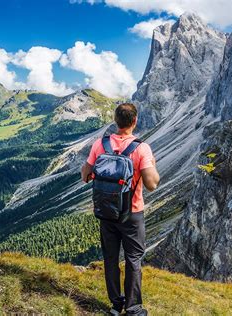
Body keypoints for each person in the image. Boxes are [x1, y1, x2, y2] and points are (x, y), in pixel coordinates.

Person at [81, 103, 160, 315]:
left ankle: (116, 305)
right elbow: (152, 184)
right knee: (133, 258)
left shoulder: (101, 144)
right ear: (134, 121)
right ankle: (133, 308)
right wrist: (152, 163)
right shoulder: (141, 148)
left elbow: (85, 176)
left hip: (106, 211)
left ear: (115, 121)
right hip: (132, 213)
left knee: (110, 258)